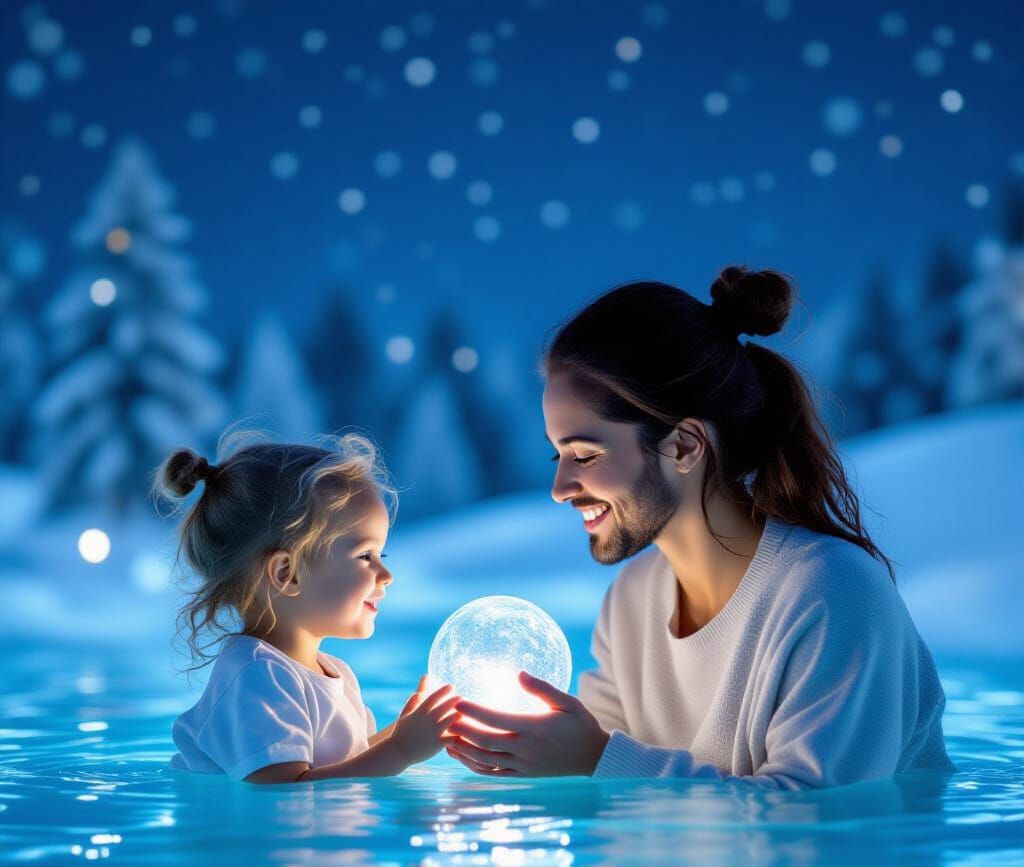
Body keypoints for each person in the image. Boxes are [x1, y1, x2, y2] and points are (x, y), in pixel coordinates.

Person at [445, 266, 954, 787]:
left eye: (585, 455)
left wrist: (599, 760)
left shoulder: (832, 591)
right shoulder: (631, 601)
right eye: (557, 455)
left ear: (685, 445)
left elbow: (818, 827)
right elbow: (596, 787)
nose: (560, 487)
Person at [158, 432, 458, 783]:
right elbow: (283, 791)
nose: (386, 575)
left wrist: (402, 735)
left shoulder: (336, 674)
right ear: (288, 573)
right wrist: (401, 751)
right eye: (366, 556)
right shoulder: (255, 676)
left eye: (382, 555)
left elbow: (347, 764)